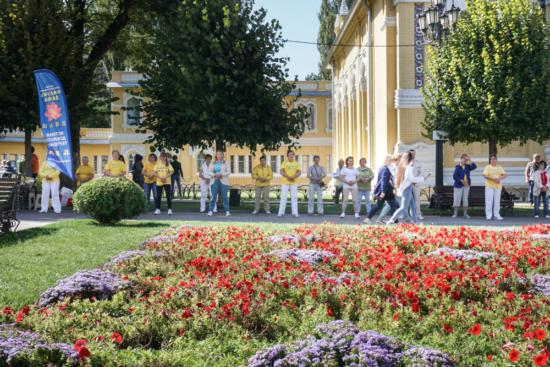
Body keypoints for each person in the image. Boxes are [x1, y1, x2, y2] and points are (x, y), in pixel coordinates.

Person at [387, 152, 427, 225]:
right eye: (411, 158)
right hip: (407, 189)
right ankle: (391, 220)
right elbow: (412, 179)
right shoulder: (407, 167)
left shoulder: (402, 166)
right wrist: (422, 179)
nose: (412, 159)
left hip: (407, 188)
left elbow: (408, 178)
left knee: (412, 205)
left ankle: (415, 222)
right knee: (403, 207)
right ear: (409, 158)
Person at [364, 155, 398, 224]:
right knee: (393, 205)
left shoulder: (381, 168)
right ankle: (395, 221)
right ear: (387, 160)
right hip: (386, 190)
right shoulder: (386, 169)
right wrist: (383, 192)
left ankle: (368, 218)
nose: (391, 161)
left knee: (378, 206)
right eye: (390, 160)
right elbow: (383, 181)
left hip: (384, 190)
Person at [377, 153, 406, 224]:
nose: (401, 161)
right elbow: (392, 178)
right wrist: (394, 188)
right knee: (403, 204)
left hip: (396, 187)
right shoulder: (393, 167)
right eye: (400, 160)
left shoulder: (397, 167)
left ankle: (381, 218)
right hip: (395, 188)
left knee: (391, 204)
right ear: (395, 160)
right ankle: (405, 219)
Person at [207, 150, 232, 217]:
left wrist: (221, 174)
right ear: (216, 156)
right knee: (213, 197)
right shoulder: (212, 163)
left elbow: (229, 172)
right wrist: (215, 175)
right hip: (214, 181)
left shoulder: (225, 163)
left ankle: (227, 211)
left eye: (220, 154)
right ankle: (210, 211)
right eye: (217, 154)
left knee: (224, 197)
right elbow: (208, 172)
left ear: (222, 155)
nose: (218, 156)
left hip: (223, 181)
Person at [483, 155, 507, 220]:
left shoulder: (499, 167)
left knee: (497, 201)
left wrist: (499, 179)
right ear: (490, 160)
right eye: (492, 159)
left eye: (494, 159)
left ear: (496, 160)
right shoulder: (488, 167)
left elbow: (504, 175)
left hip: (498, 186)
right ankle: (489, 215)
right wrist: (493, 179)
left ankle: (496, 215)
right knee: (489, 201)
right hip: (489, 185)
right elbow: (485, 175)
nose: (493, 160)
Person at [452, 154, 477, 218]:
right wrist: (462, 181)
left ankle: (465, 214)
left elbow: (474, 166)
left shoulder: (468, 166)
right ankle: (455, 214)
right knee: (457, 199)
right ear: (461, 159)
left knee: (465, 199)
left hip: (466, 185)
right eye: (464, 158)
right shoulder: (458, 166)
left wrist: (469, 159)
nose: (464, 160)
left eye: (466, 159)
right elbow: (454, 176)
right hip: (458, 185)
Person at [278, 150, 301, 218]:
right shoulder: (284, 163)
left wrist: (293, 177)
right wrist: (289, 177)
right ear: (287, 155)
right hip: (285, 181)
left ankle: (295, 213)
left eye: (292, 154)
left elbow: (299, 172)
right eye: (290, 154)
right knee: (284, 197)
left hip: (294, 182)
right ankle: (280, 212)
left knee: (294, 197)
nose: (291, 156)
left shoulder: (296, 163)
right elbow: (281, 171)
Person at [409, 150, 424, 219]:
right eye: (411, 153)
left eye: (414, 153)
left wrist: (415, 180)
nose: (413, 155)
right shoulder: (406, 163)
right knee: (406, 199)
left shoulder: (418, 163)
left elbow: (421, 173)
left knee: (417, 200)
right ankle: (403, 214)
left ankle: (418, 214)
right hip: (408, 184)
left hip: (416, 184)